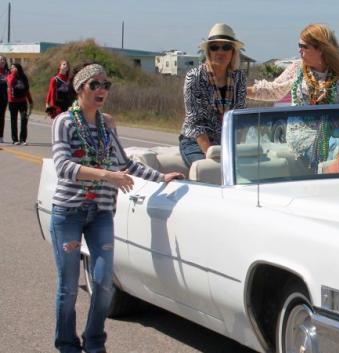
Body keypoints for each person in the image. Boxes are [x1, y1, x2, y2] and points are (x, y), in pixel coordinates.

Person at [50, 61, 184, 353]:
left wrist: (161, 176)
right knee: (69, 287)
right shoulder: (65, 122)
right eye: (94, 85)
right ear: (79, 88)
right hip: (68, 214)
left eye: (106, 85)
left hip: (100, 214)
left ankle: (94, 341)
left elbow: (124, 164)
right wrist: (107, 176)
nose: (101, 90)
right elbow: (63, 166)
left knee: (104, 284)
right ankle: (66, 344)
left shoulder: (106, 125)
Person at [247, 24, 339, 171]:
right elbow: (273, 90)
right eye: (299, 45)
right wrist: (239, 91)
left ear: (320, 49)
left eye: (303, 46)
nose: (299, 50)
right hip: (302, 133)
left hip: (337, 134)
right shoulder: (297, 69)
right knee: (335, 150)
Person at [179, 23, 247, 167]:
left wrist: (237, 152)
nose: (220, 52)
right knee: (210, 170)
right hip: (196, 142)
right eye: (214, 47)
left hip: (226, 141)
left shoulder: (239, 78)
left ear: (233, 52)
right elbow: (196, 122)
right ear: (208, 52)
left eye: (226, 47)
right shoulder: (194, 76)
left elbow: (239, 118)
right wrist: (212, 156)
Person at [7, 63, 33, 145]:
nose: (12, 69)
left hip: (22, 101)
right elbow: (10, 84)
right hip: (13, 102)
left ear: (18, 68)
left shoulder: (23, 77)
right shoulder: (10, 76)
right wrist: (13, 74)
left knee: (24, 119)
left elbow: (27, 89)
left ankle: (23, 139)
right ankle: (15, 139)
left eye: (14, 68)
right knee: (13, 120)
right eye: (11, 68)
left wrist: (30, 101)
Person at [0, 55, 9, 143]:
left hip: (4, 96)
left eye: (3, 60)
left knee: (2, 116)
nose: (2, 61)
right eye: (0, 60)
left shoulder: (8, 72)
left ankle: (1, 136)